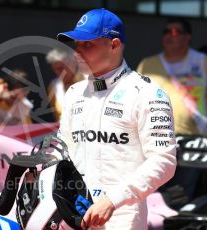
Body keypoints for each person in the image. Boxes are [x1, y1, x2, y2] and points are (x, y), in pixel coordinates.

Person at [56, 8, 177, 229]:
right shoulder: (74, 93)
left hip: (121, 217)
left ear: (114, 45)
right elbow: (63, 152)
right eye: (76, 45)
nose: (77, 52)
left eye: (87, 45)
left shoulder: (147, 93)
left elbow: (164, 161)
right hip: (73, 215)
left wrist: (112, 200)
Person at [137, 17, 207, 202]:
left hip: (194, 142)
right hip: (155, 140)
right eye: (166, 32)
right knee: (156, 196)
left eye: (175, 32)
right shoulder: (147, 65)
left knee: (182, 198)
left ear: (187, 37)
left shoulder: (202, 62)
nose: (169, 36)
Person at [46, 48, 85, 121]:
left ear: (74, 62)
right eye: (55, 69)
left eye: (61, 68)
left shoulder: (91, 80)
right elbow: (58, 119)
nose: (58, 73)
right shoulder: (54, 87)